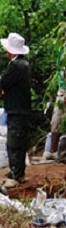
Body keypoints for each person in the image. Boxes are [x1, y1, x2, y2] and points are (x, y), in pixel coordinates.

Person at [0, 33, 32, 189]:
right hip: (20, 107)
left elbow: (5, 80)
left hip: (17, 108)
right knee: (19, 141)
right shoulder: (23, 64)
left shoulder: (17, 66)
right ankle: (19, 172)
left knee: (14, 142)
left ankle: (15, 174)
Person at [46, 31, 66, 160]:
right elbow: (60, 70)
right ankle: (52, 151)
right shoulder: (62, 48)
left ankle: (62, 154)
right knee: (56, 120)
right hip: (61, 88)